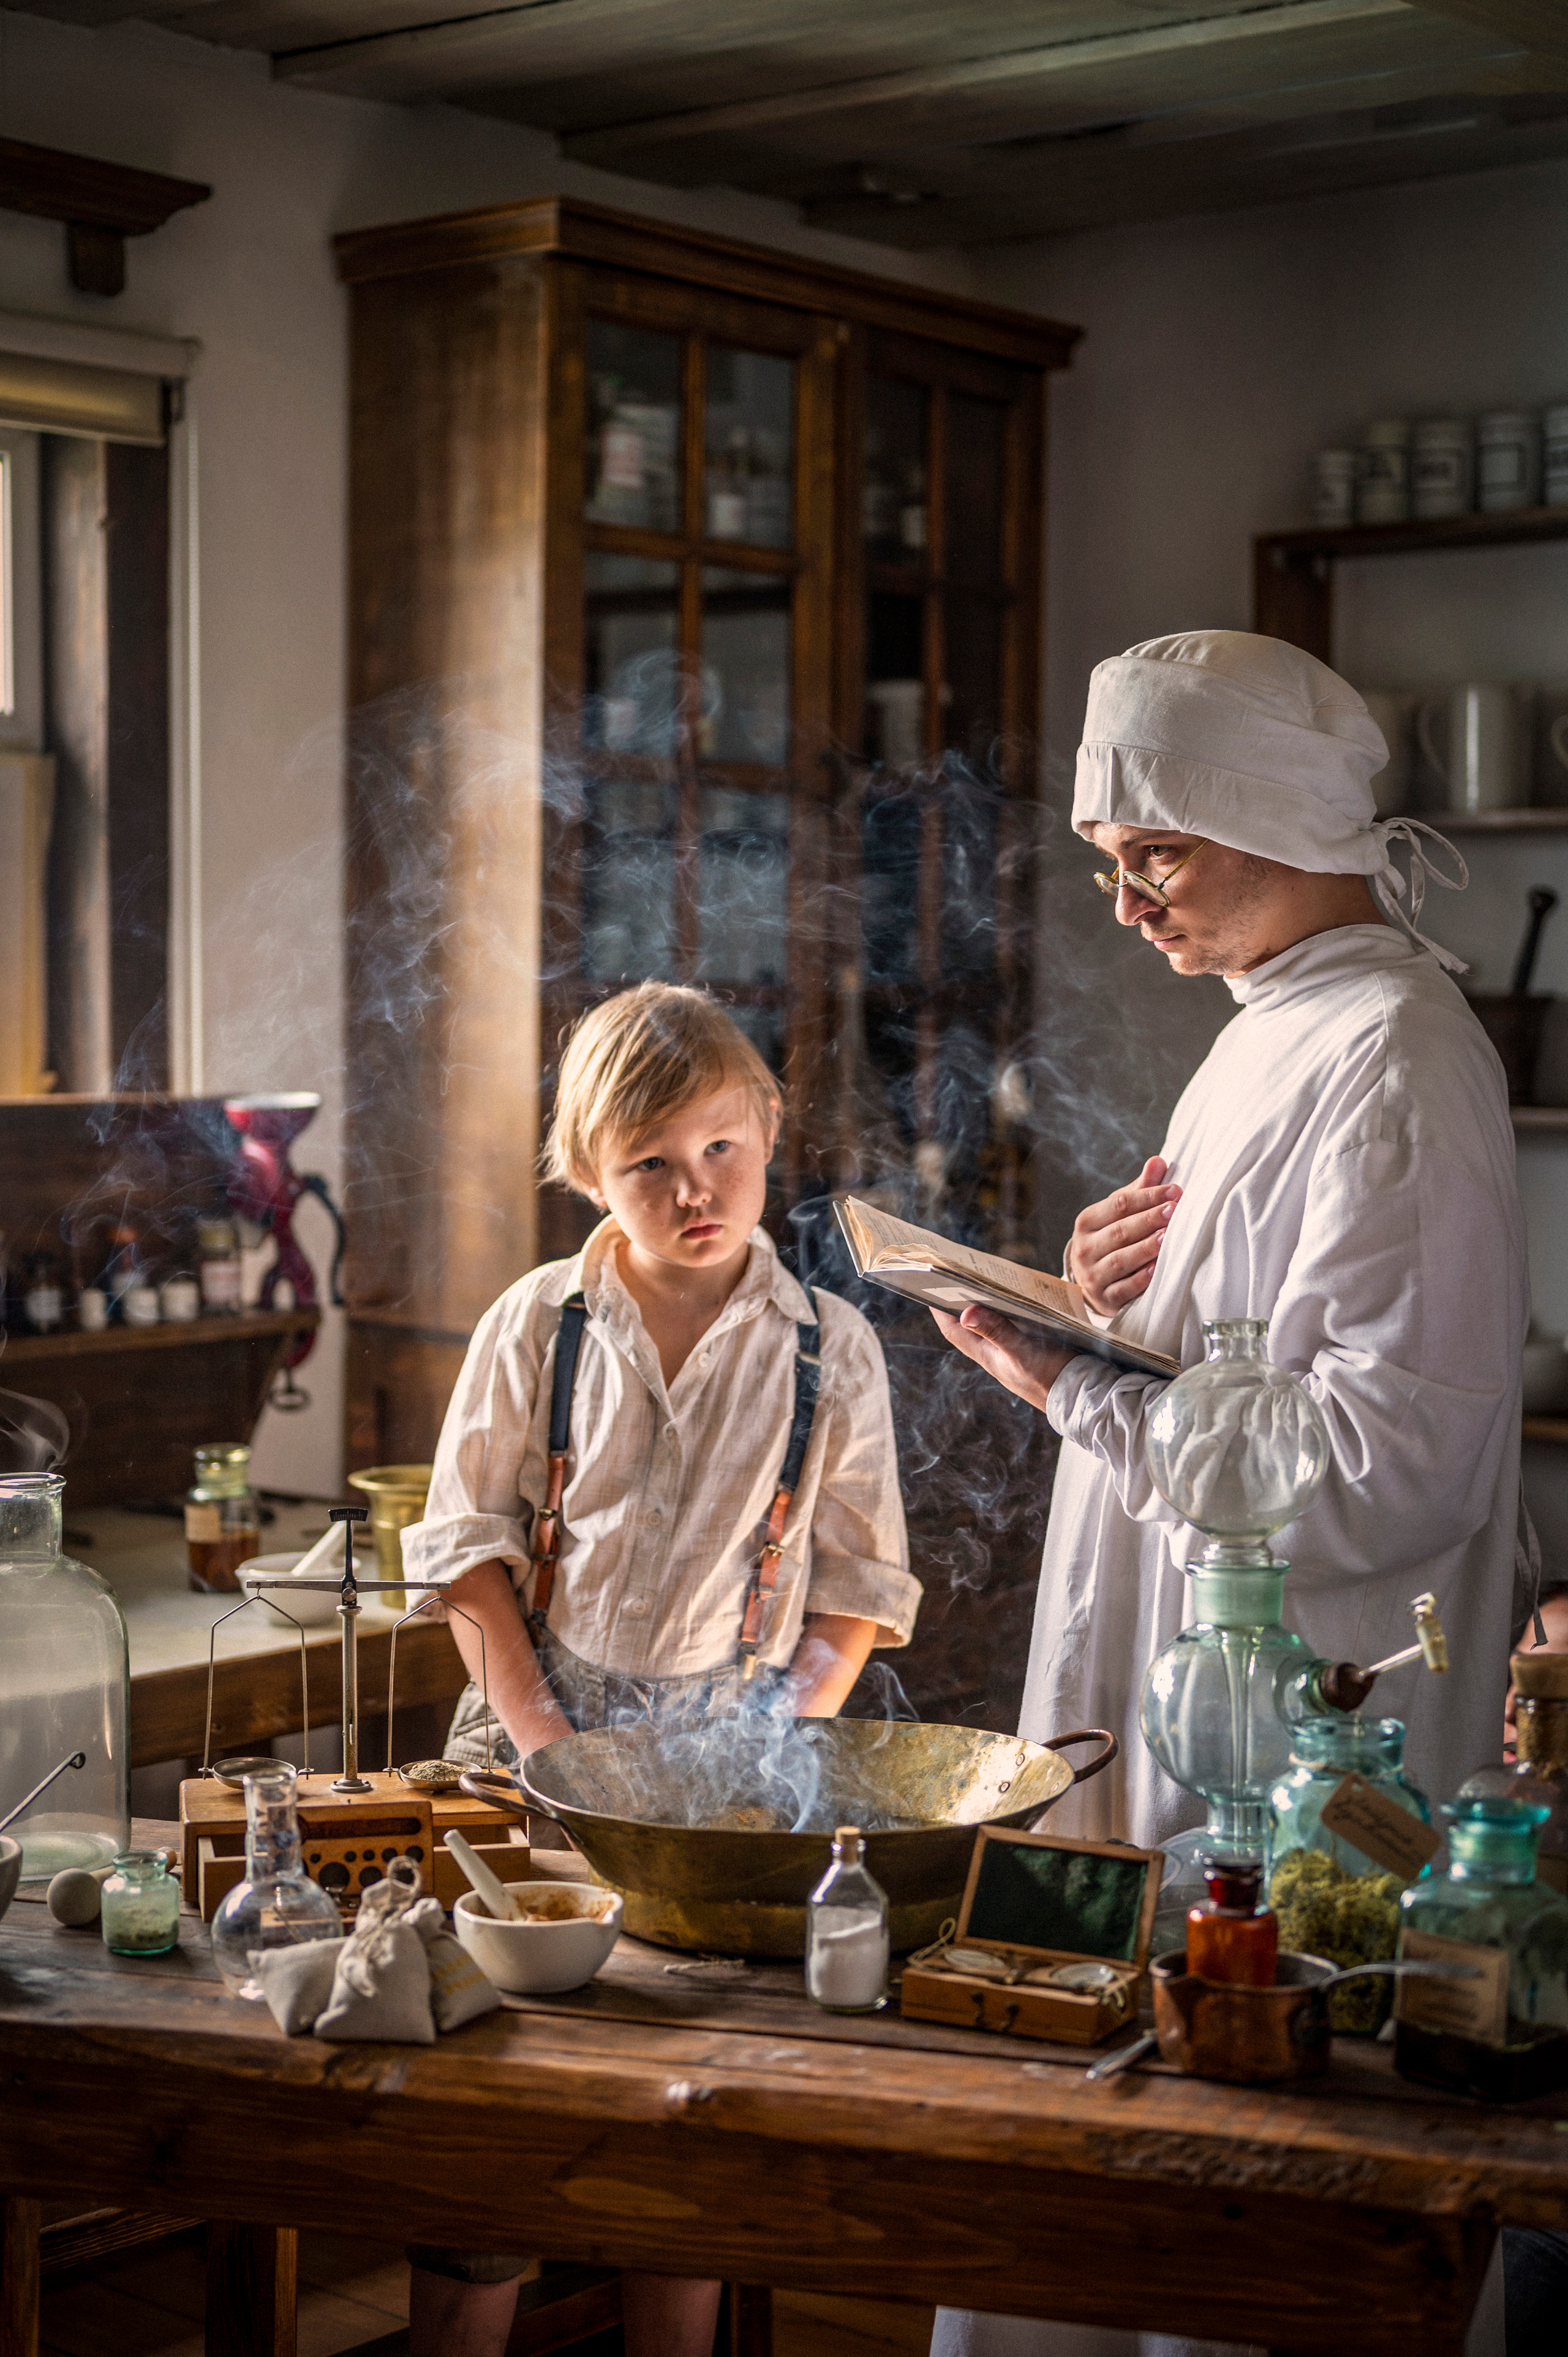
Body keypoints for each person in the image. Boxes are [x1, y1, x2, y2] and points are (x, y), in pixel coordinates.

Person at [930, 630, 1526, 2357]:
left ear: (1274, 818)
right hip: (1184, 1674)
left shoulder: (1396, 1056)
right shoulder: (1274, 1029)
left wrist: (1071, 1384)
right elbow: (1238, 1353)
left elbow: (1379, 1470)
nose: (1126, 906)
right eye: (1106, 863)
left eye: (1157, 857)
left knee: (1251, 2241)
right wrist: (1099, 1302)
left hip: (1299, 1730)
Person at [400, 980, 919, 2357]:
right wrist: (549, 1744)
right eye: (648, 1163)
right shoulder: (537, 1322)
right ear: (588, 1172)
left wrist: (764, 1746)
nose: (695, 1190)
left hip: (725, 1749)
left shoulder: (832, 1347)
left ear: (769, 1130)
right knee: (492, 2103)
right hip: (529, 1725)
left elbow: (855, 1596)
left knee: (686, 2107)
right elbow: (464, 1558)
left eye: (720, 1149)